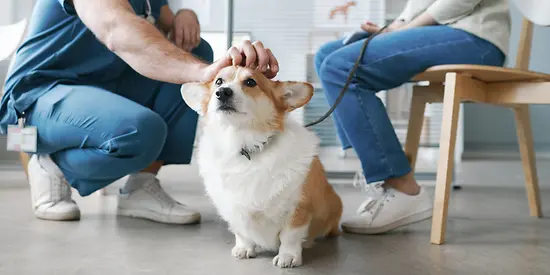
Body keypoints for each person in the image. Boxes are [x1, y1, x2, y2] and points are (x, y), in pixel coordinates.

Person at [0, 0, 278, 223]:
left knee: (196, 49)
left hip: (102, 89)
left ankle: (140, 185)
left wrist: (187, 14)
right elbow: (115, 27)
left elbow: (167, 21)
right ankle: (48, 161)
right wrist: (203, 72)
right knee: (141, 130)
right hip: (38, 95)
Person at [315, 0, 510, 234]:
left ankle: (401, 187)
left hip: (476, 36)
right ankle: (377, 172)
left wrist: (406, 29)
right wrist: (395, 26)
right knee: (326, 55)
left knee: (340, 66)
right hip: (442, 30)